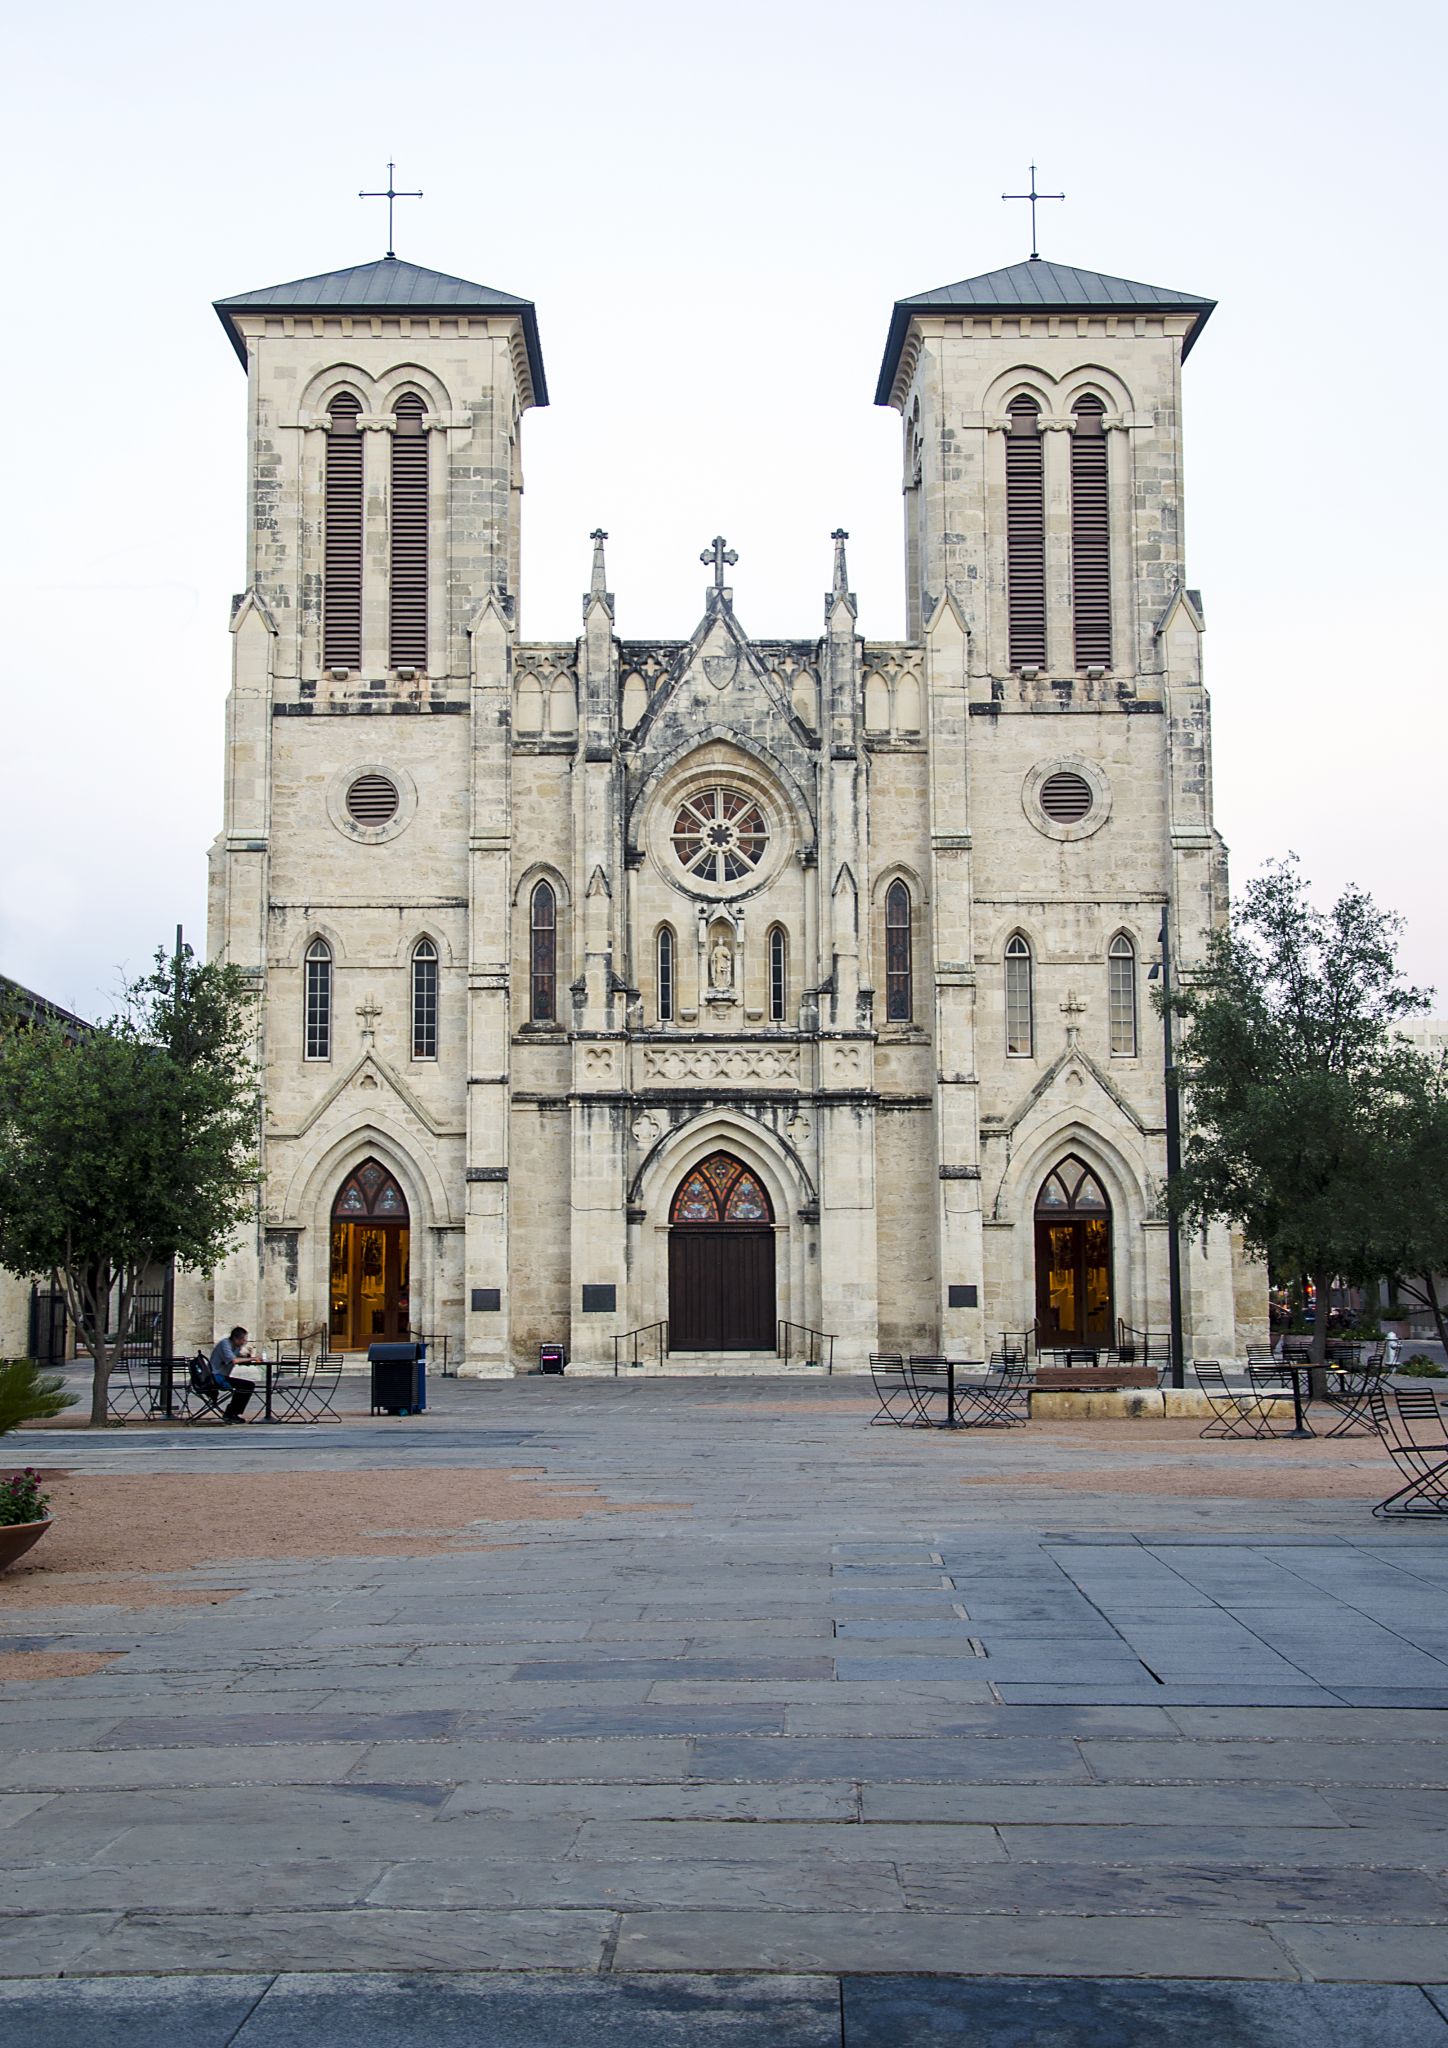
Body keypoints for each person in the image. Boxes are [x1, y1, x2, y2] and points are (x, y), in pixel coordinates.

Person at [208, 1326, 257, 1422]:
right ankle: (231, 1413)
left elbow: (236, 1357)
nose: (244, 1342)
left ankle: (233, 1412)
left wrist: (246, 1357)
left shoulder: (236, 1347)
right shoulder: (225, 1344)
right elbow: (233, 1360)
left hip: (223, 1376)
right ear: (235, 1338)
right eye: (243, 1339)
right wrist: (253, 1359)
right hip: (215, 1377)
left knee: (247, 1385)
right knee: (246, 1386)